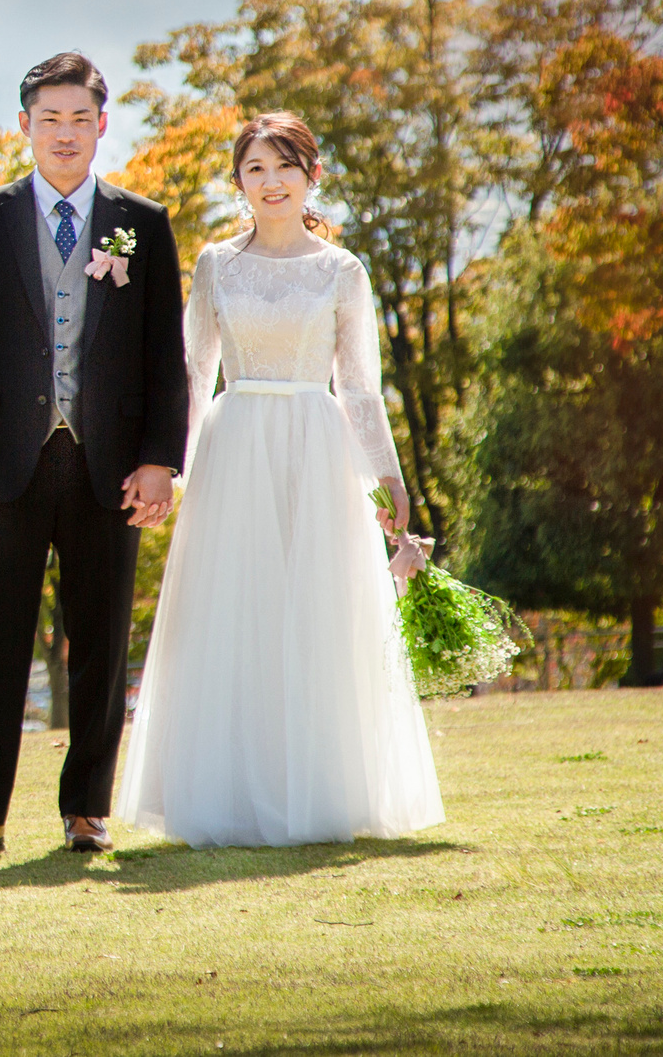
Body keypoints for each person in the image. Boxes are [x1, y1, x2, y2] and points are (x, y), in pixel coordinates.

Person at [114, 113, 445, 847]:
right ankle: (230, 792)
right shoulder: (214, 265)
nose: (270, 182)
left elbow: (359, 386)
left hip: (317, 447)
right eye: (255, 169)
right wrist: (174, 471)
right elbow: (194, 378)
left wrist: (389, 480)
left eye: (283, 167)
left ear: (311, 176)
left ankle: (320, 788)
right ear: (239, 182)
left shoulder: (342, 270)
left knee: (316, 614)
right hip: (232, 449)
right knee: (233, 614)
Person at [0, 52, 188, 858]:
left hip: (107, 461)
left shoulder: (141, 222)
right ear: (25, 127)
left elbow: (161, 355)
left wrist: (160, 459)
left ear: (102, 124)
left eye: (81, 118)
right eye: (51, 119)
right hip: (6, 460)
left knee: (102, 641)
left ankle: (87, 807)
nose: (66, 134)